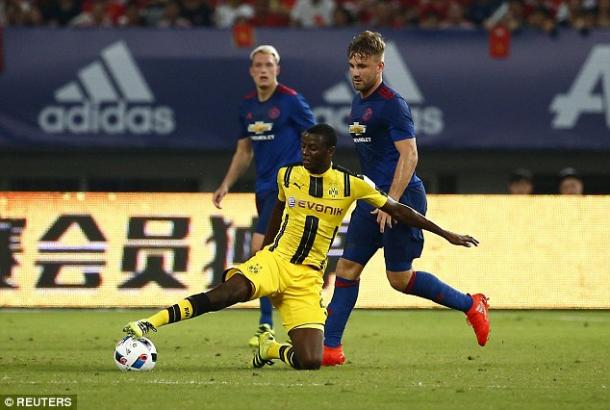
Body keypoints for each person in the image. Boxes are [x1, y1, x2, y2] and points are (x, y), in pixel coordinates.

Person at [123, 124, 480, 370]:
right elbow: (276, 212)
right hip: (276, 262)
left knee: (311, 360)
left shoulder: (351, 183)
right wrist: (261, 252)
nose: (306, 152)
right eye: (303, 146)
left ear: (329, 150)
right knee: (226, 294)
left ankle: (270, 349)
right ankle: (147, 324)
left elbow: (397, 209)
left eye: (313, 148)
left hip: (307, 279)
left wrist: (445, 233)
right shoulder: (287, 175)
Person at [322, 31, 490, 366]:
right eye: (352, 65)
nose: (356, 72)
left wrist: (392, 202)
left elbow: (409, 155)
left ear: (380, 66)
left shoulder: (392, 104)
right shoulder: (358, 102)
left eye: (363, 66)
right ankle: (331, 349)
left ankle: (472, 304)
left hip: (402, 197)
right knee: (347, 268)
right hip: (371, 197)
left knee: (399, 279)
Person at [212, 44, 315, 347]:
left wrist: (310, 180)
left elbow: (318, 140)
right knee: (274, 256)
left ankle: (266, 325)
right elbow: (244, 150)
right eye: (258, 65)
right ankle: (296, 310)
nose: (263, 70)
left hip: (288, 189)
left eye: (269, 65)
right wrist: (227, 183)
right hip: (264, 189)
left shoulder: (292, 102)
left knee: (261, 250)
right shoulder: (247, 106)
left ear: (277, 69)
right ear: (251, 71)